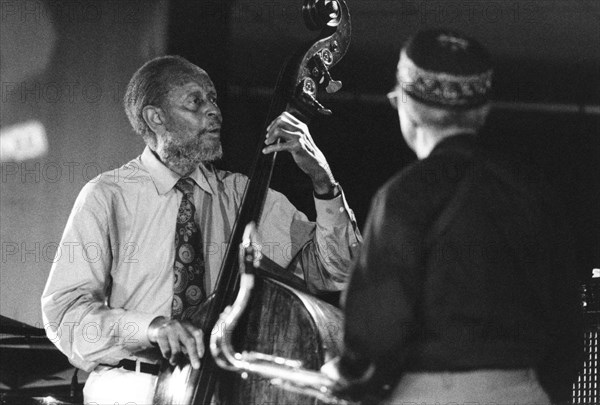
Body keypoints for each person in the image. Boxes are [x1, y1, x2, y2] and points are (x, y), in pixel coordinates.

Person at [41, 55, 361, 405]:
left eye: (213, 100)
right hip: (129, 389)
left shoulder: (242, 194)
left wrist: (321, 179)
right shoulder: (108, 196)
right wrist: (150, 327)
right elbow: (66, 315)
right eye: (196, 102)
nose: (214, 112)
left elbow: (336, 269)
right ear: (156, 118)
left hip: (218, 392)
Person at [326, 29, 582, 404]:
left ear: (406, 108)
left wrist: (345, 373)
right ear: (482, 111)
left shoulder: (404, 195)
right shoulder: (535, 195)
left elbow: (377, 330)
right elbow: (568, 329)